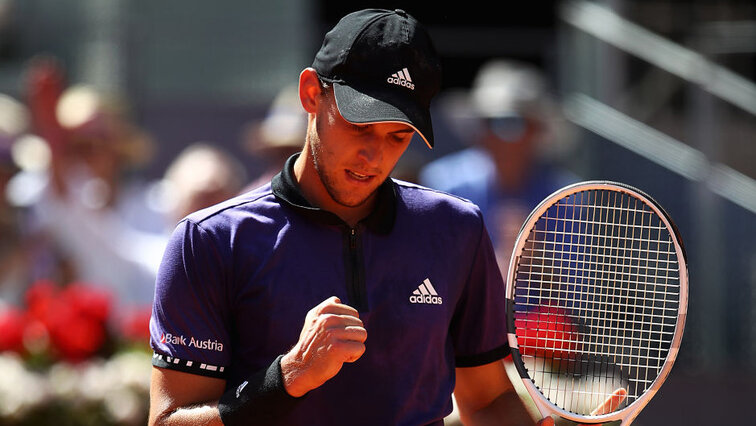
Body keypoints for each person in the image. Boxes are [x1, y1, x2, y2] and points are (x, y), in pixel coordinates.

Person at [148, 9, 610, 426]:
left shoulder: (455, 229)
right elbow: (168, 422)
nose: (374, 155)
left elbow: (487, 400)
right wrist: (287, 378)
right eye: (360, 126)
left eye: (397, 136)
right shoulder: (207, 241)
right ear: (312, 93)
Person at [419, 59, 578, 275]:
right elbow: (433, 279)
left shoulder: (567, 196)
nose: (495, 134)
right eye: (487, 122)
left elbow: (576, 292)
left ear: (537, 130)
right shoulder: (442, 184)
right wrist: (502, 260)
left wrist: (536, 259)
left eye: (511, 123)